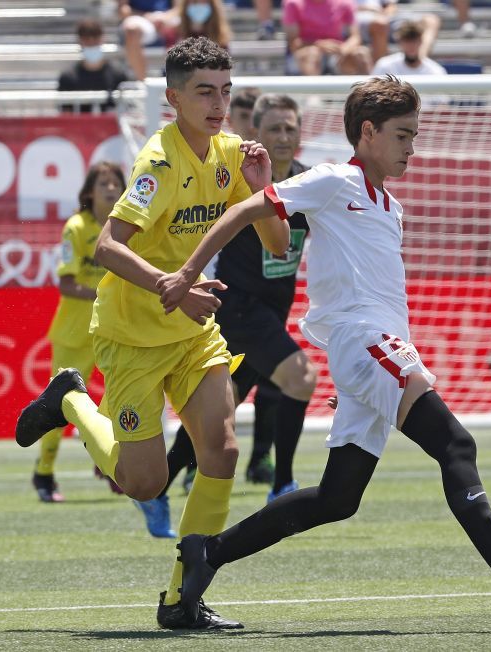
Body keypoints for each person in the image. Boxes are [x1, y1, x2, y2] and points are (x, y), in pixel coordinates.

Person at [156, 75, 491, 626]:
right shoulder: (336, 180)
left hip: (372, 353)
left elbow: (323, 260)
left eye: (414, 135)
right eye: (403, 135)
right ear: (368, 132)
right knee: (456, 444)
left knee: (339, 499)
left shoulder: (390, 207)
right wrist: (189, 271)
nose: (412, 147)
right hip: (367, 345)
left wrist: (362, 379)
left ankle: (207, 552)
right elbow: (245, 212)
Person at [15, 36, 291, 630]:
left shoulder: (229, 154)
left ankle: (181, 597)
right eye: (203, 93)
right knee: (145, 483)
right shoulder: (157, 163)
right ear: (172, 99)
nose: (218, 104)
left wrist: (264, 186)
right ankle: (69, 396)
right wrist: (175, 286)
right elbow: (108, 246)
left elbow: (277, 249)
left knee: (222, 450)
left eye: (225, 91)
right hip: (133, 335)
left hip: (191, 332)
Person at [167, 93, 317, 514]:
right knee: (301, 379)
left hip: (271, 313)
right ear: (255, 132)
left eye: (290, 128)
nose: (283, 137)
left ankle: (159, 485)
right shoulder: (238, 180)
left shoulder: (309, 183)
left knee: (219, 410)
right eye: (274, 128)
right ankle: (283, 482)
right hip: (236, 308)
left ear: (301, 133)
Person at [32, 162, 126, 503]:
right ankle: (44, 472)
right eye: (104, 183)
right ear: (89, 192)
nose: (112, 189)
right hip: (76, 332)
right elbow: (66, 283)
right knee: (62, 405)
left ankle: (111, 463)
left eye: (116, 182)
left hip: (116, 328)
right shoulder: (76, 227)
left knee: (121, 399)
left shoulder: (127, 227)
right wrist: (103, 292)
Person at [282, 0, 372, 76]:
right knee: (312, 54)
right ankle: (313, 96)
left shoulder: (344, 2)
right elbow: (293, 42)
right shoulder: (293, 3)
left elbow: (355, 37)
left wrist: (344, 50)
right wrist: (319, 45)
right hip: (306, 54)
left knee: (361, 53)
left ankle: (370, 95)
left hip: (338, 54)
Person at [59, 19, 130, 113]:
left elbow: (127, 109)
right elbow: (65, 113)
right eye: (87, 40)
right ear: (79, 41)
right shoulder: (68, 77)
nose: (91, 43)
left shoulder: (118, 75)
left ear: (102, 39)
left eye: (95, 39)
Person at [355, 0, 441, 63]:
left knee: (430, 20)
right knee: (380, 24)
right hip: (357, 19)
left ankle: (420, 61)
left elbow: (391, 6)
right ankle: (380, 75)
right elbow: (345, 10)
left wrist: (384, 14)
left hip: (384, 17)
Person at [372, 20, 447, 76]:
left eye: (414, 40)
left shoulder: (435, 71)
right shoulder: (385, 66)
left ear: (421, 41)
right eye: (407, 40)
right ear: (400, 42)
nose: (411, 45)